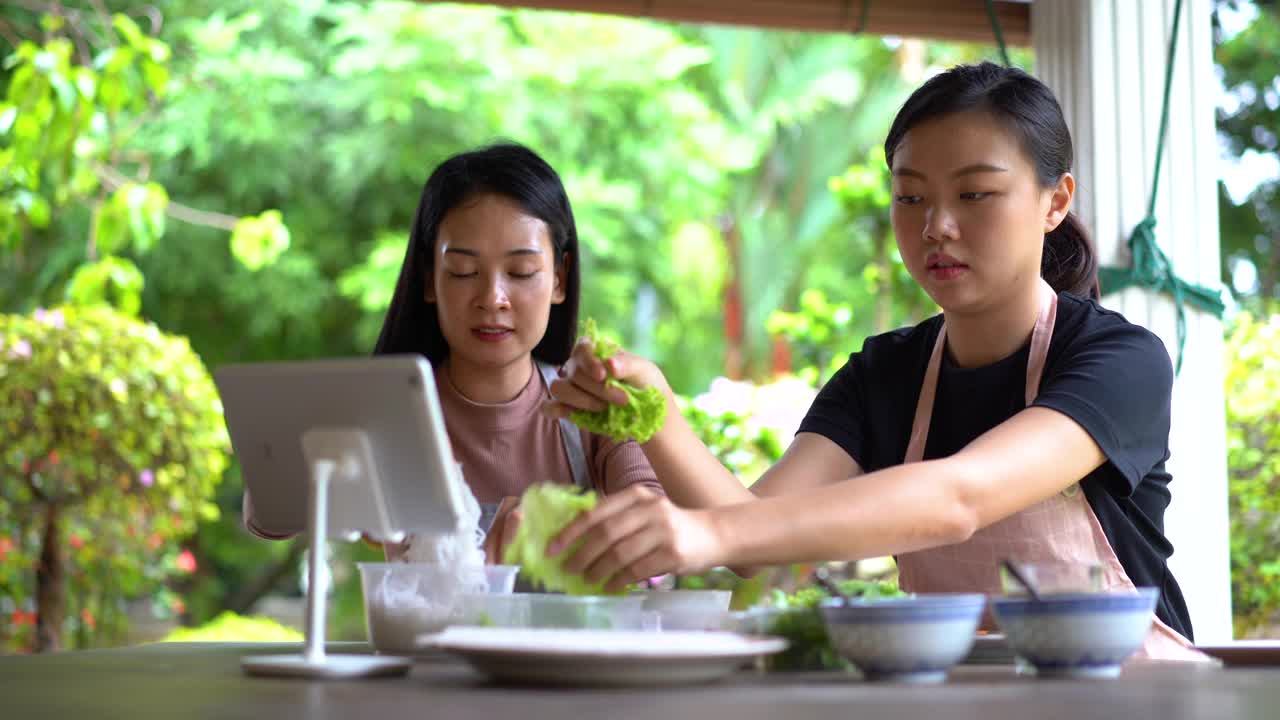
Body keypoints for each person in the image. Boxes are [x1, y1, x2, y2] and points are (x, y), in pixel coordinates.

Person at [545, 62, 1205, 660]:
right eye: (911, 197)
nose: (935, 226)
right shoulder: (883, 374)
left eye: (974, 195)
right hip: (962, 697)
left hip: (1129, 693)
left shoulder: (1118, 359)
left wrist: (705, 534)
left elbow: (959, 499)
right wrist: (654, 412)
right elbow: (752, 529)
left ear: (1055, 202)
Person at [244, 142, 659, 562]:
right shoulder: (387, 413)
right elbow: (268, 515)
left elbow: (660, 536)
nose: (492, 298)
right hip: (422, 631)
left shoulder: (591, 407)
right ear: (429, 278)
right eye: (463, 271)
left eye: (521, 272)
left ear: (559, 279)